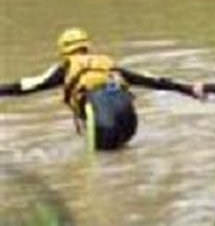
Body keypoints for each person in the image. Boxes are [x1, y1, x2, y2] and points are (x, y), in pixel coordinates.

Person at [0, 28, 199, 150]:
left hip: (102, 125)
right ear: (87, 46)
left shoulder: (66, 68)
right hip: (130, 122)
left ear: (63, 50)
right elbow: (153, 80)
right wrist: (188, 89)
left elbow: (26, 86)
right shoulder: (108, 66)